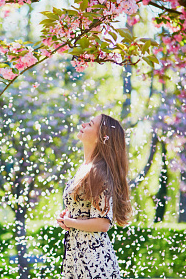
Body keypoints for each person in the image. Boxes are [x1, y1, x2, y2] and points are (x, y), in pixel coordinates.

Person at [56, 114, 132, 279]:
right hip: (77, 255)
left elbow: (103, 223)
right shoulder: (86, 168)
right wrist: (68, 215)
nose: (83, 124)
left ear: (100, 138)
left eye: (90, 124)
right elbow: (86, 210)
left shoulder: (98, 172)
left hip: (93, 260)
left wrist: (70, 222)